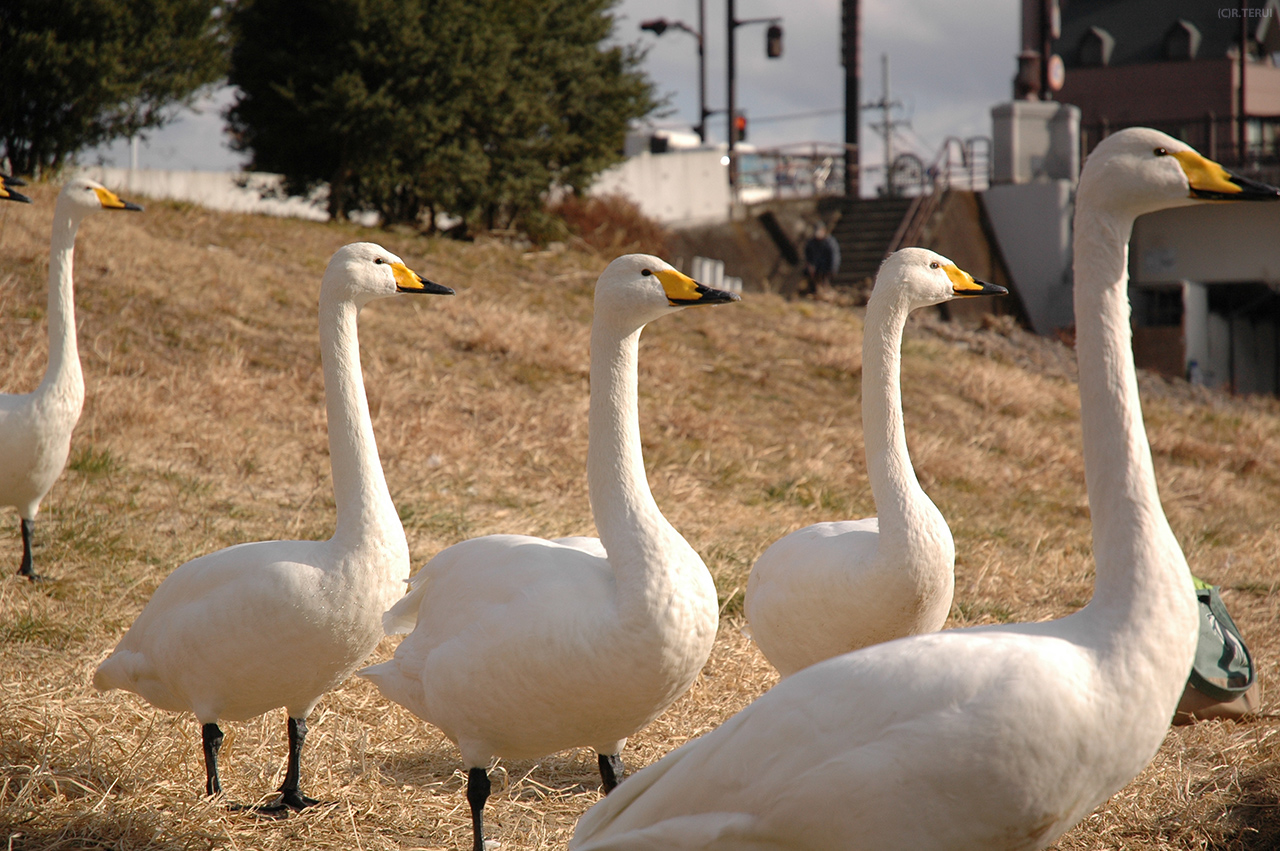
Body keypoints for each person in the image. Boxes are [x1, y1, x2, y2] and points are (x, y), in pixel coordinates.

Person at [801, 224, 840, 297]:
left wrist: (832, 269)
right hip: (815, 269)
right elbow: (808, 255)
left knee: (825, 285)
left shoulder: (830, 242)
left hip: (826, 268)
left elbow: (834, 256)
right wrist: (810, 265)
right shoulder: (811, 243)